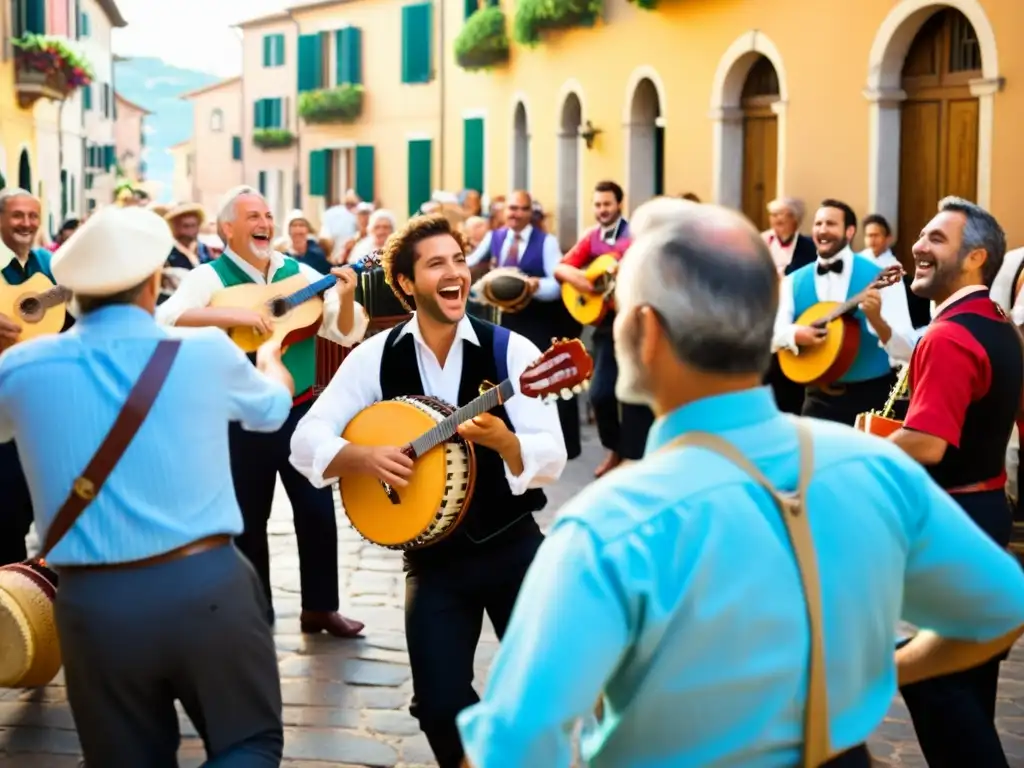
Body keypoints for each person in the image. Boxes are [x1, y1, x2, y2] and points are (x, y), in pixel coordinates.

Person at [455, 199, 1024, 767]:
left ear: (647, 331)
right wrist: (886, 669)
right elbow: (1003, 607)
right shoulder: (871, 467)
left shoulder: (608, 525)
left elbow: (513, 748)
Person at [0, 205, 289, 766]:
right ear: (155, 282)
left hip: (93, 602)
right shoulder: (205, 351)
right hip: (206, 582)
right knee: (249, 743)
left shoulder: (21, 367)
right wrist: (272, 359)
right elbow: (271, 411)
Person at [289, 214, 567, 768]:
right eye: (436, 263)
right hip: (433, 562)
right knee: (439, 707)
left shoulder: (510, 351)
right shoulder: (374, 356)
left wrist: (508, 443)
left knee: (540, 700)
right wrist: (361, 456)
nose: (454, 273)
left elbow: (552, 453)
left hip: (512, 546)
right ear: (405, 285)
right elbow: (305, 439)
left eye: (459, 260)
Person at [157, 185, 368, 637]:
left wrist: (346, 296)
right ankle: (256, 611)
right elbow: (168, 318)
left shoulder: (301, 273)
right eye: (253, 216)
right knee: (250, 516)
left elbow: (345, 333)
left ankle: (321, 607)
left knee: (316, 508)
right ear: (226, 229)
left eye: (268, 215)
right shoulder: (209, 277)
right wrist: (232, 316)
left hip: (301, 409)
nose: (264, 224)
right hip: (240, 417)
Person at [889, 197, 1023, 767]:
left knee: (934, 683)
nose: (919, 246)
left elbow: (927, 443)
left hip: (951, 526)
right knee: (968, 687)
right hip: (989, 513)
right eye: (921, 235)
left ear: (976, 259)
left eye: (936, 239)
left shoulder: (944, 337)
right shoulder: (1004, 327)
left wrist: (856, 456)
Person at [772, 199, 916, 425]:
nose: (822, 229)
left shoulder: (883, 277)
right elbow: (772, 334)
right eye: (818, 224)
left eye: (830, 224)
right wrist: (794, 335)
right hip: (816, 398)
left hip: (871, 398)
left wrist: (878, 322)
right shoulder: (793, 281)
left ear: (849, 232)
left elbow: (908, 350)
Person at [468, 189, 582, 460]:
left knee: (548, 378)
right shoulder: (494, 238)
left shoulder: (546, 242)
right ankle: (516, 438)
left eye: (521, 209)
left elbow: (556, 284)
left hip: (539, 320)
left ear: (530, 212)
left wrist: (531, 286)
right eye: (511, 209)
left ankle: (564, 445)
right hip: (506, 320)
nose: (515, 214)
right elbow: (470, 264)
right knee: (508, 379)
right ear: (503, 212)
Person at [555, 180, 653, 475]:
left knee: (635, 392)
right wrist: (582, 281)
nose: (601, 210)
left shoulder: (636, 236)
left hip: (637, 322)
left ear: (619, 204)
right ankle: (615, 448)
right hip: (606, 327)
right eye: (597, 205)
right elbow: (561, 267)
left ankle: (634, 458)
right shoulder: (592, 238)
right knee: (600, 394)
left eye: (607, 204)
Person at [0, 188, 60, 567]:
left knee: (45, 505)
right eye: (17, 216)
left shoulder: (49, 263)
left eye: (33, 216)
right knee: (6, 513)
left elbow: (72, 305)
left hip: (45, 403)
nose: (27, 224)